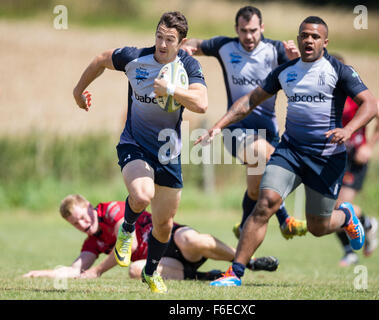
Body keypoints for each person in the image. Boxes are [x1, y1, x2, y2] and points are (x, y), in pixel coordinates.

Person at [196, 16, 379, 287]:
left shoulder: (339, 70)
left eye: (315, 37)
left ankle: (346, 216)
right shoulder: (286, 71)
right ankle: (235, 273)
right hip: (290, 152)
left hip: (326, 158)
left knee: (318, 227)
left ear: (325, 42)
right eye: (304, 35)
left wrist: (349, 130)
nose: (309, 40)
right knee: (265, 203)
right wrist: (218, 125)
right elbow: (249, 101)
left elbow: (370, 104)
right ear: (298, 39)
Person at [72, 12, 208, 293]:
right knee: (142, 194)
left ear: (181, 42)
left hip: (169, 153)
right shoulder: (135, 59)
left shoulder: (188, 66)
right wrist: (78, 91)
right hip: (134, 144)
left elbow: (201, 103)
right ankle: (127, 229)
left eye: (169, 39)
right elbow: (100, 59)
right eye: (159, 36)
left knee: (164, 225)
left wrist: (171, 90)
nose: (161, 43)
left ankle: (150, 272)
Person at [181, 5, 307, 240]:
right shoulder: (225, 47)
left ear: (262, 28)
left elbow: (301, 78)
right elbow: (195, 45)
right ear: (236, 29)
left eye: (253, 30)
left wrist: (296, 61)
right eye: (243, 31)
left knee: (255, 188)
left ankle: (242, 228)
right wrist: (183, 48)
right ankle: (285, 219)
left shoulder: (276, 50)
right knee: (269, 156)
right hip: (235, 130)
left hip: (268, 131)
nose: (248, 36)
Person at [23, 195, 279, 281]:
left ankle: (249, 261)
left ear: (90, 207)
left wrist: (99, 270)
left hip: (174, 239)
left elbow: (130, 244)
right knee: (136, 271)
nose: (82, 223)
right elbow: (77, 269)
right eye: (75, 223)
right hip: (164, 263)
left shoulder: (112, 210)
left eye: (82, 216)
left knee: (194, 241)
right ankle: (208, 276)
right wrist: (43, 274)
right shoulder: (92, 241)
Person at [332, 54, 379, 267]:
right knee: (329, 208)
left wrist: (369, 145)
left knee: (341, 206)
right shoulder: (324, 95)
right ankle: (352, 247)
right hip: (333, 157)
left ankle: (365, 225)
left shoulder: (356, 93)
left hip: (354, 158)